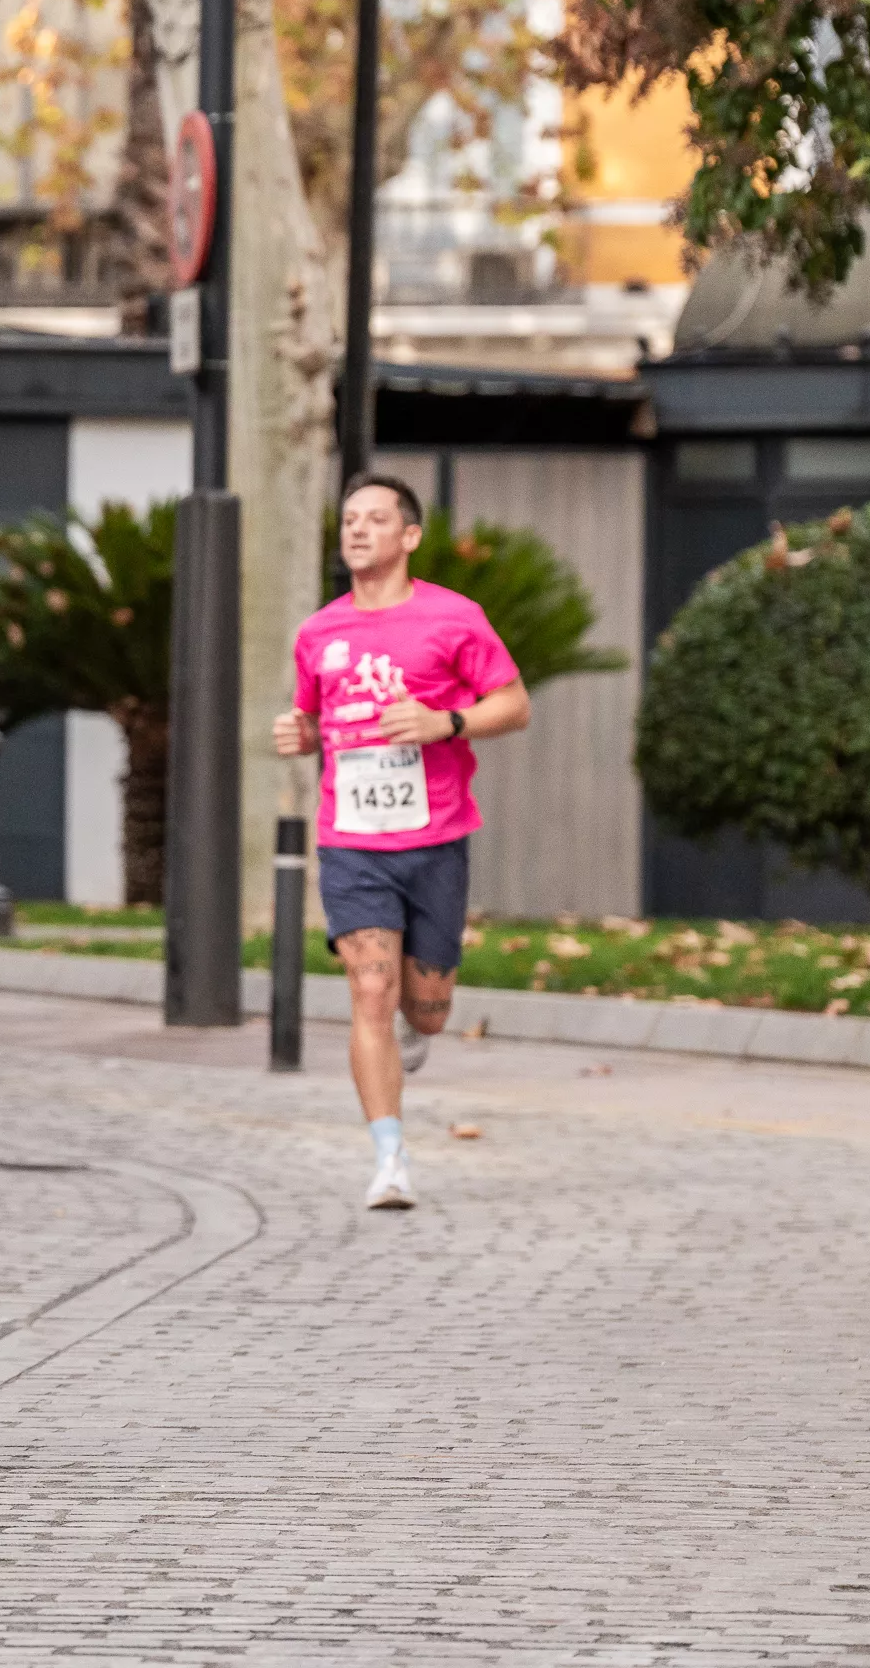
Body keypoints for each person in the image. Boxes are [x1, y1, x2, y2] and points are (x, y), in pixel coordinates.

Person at [272, 472, 529, 1211]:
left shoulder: (455, 619)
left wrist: (443, 723)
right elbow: (316, 721)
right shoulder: (320, 631)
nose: (356, 530)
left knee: (427, 1007)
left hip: (436, 835)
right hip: (351, 841)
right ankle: (390, 1159)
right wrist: (300, 733)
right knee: (370, 991)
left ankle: (418, 1028)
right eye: (349, 519)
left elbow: (514, 705)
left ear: (409, 535)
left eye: (375, 519)